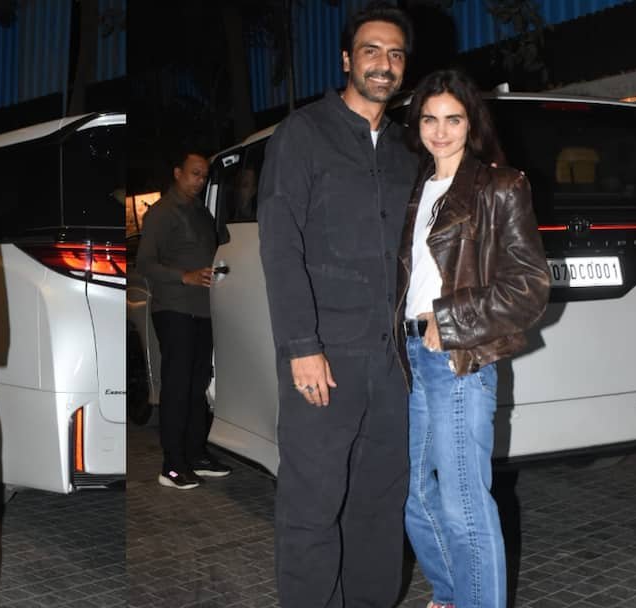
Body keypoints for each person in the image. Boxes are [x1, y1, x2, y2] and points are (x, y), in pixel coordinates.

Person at [256, 2, 419, 605]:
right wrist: (302, 346)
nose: (384, 64)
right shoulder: (303, 134)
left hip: (392, 360)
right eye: (372, 50)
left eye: (396, 54)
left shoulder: (407, 150)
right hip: (323, 358)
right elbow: (280, 245)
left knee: (380, 502)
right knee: (313, 505)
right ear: (348, 59)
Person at [397, 68, 549, 608]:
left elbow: (530, 287)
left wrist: (450, 320)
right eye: (430, 119)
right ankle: (451, 596)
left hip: (458, 358)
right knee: (415, 495)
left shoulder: (499, 186)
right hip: (411, 356)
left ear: (471, 123)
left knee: (463, 503)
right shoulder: (417, 188)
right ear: (417, 124)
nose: (440, 131)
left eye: (453, 119)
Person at [137, 150, 233, 490]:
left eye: (204, 175)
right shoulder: (162, 212)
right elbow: (145, 263)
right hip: (174, 309)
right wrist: (184, 276)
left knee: (197, 384)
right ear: (177, 173)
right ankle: (172, 465)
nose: (200, 180)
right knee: (177, 387)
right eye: (195, 173)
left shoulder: (202, 212)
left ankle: (196, 454)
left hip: (203, 309)